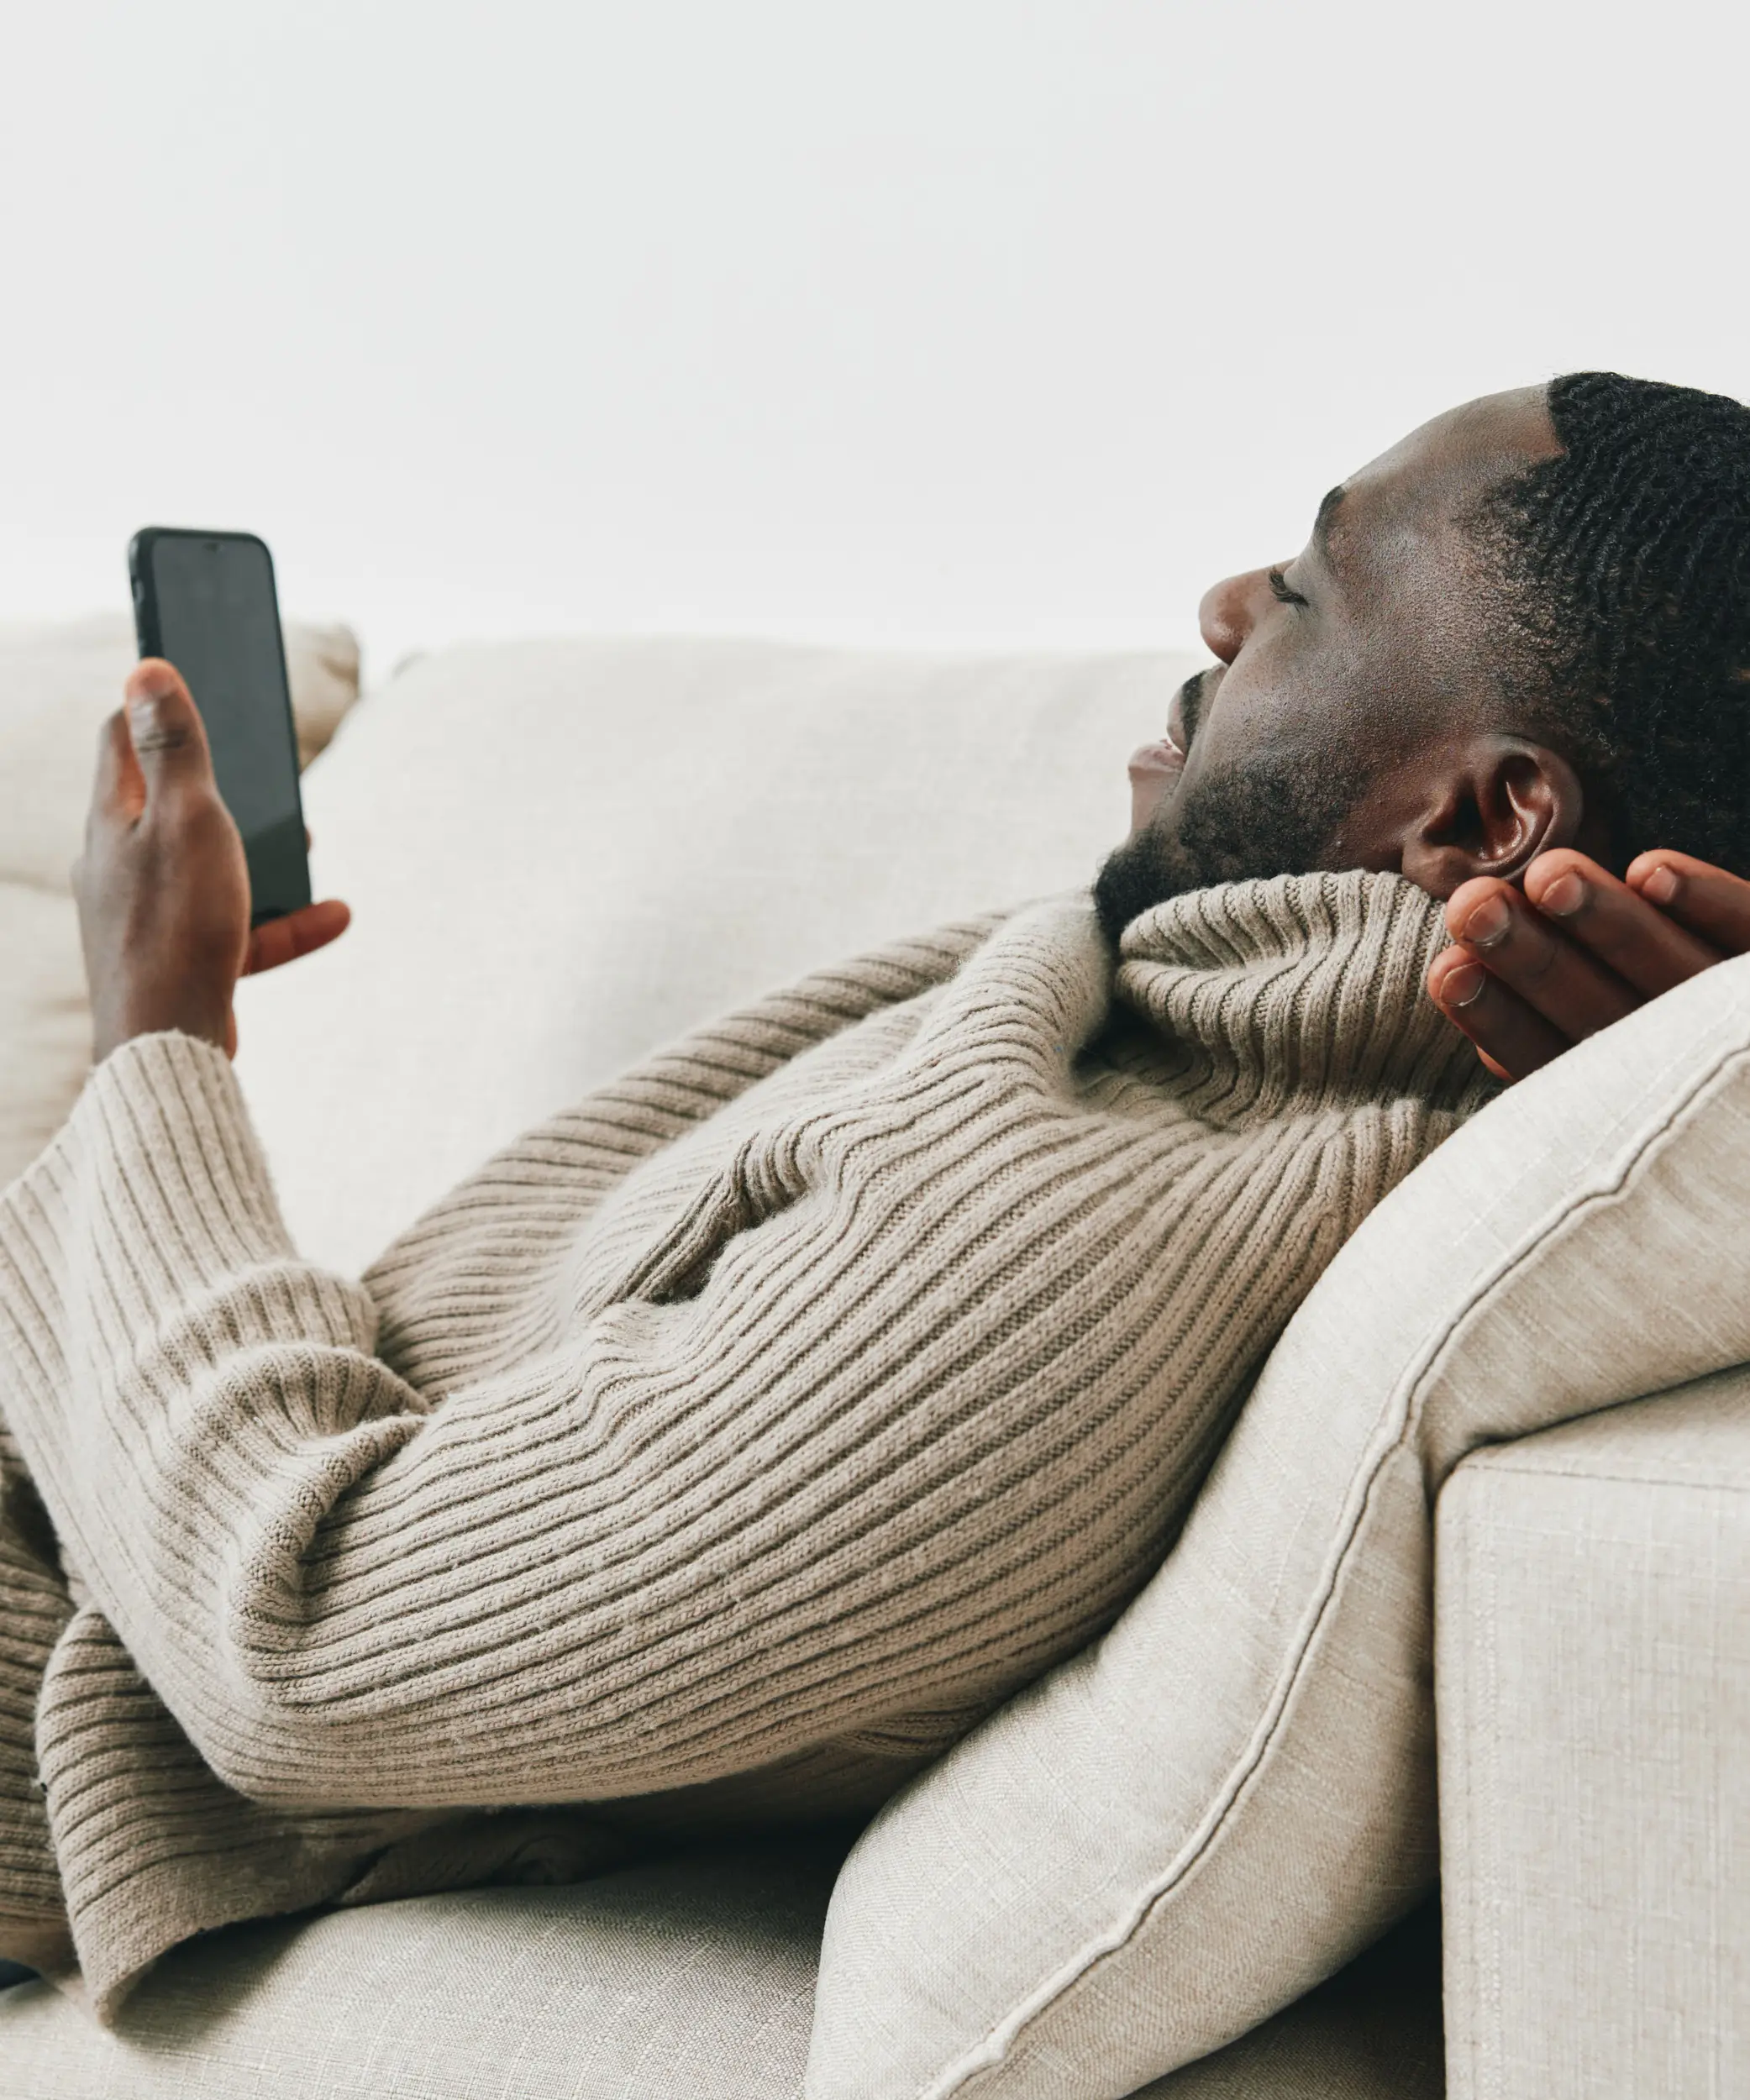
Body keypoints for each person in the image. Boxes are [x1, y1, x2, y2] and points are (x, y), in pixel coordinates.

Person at [4, 370, 1750, 2019]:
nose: (1223, 605)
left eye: (1304, 588)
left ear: (1488, 813)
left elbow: (303, 1644)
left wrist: (160, 1029)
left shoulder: (1077, 1239)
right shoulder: (1150, 1016)